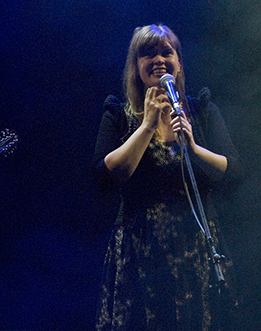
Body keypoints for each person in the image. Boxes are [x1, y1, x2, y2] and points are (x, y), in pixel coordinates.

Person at [91, 24, 243, 330]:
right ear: (135, 66)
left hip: (196, 246)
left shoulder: (201, 112)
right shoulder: (118, 115)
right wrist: (146, 126)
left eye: (166, 52)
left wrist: (194, 148)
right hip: (140, 246)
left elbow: (234, 173)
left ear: (179, 63)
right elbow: (104, 177)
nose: (158, 59)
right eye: (147, 53)